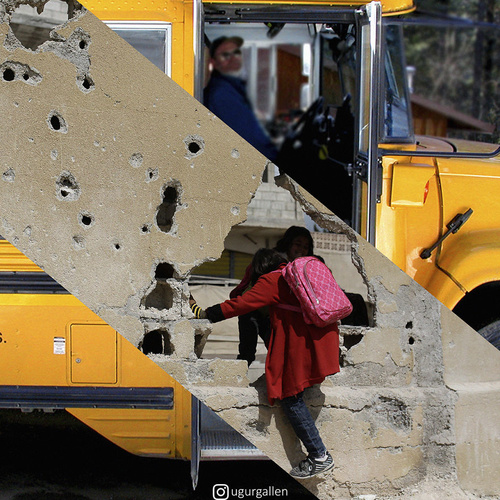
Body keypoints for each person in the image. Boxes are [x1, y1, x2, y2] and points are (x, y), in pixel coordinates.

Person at [192, 248, 337, 479]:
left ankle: (319, 456)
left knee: (290, 397)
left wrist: (205, 313)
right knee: (295, 391)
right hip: (321, 339)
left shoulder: (274, 280)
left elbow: (241, 304)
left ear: (258, 268)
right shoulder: (294, 276)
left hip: (300, 342)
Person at [231, 226, 314, 365]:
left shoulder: (307, 266)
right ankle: (239, 375)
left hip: (275, 315)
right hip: (253, 310)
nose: (301, 249)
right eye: (298, 244)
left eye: (305, 247)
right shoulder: (272, 260)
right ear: (288, 244)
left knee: (277, 352)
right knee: (247, 353)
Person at [204, 36, 278, 162]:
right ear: (214, 63)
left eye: (236, 52)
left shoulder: (233, 88)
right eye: (225, 55)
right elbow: (250, 140)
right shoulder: (221, 93)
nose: (233, 58)